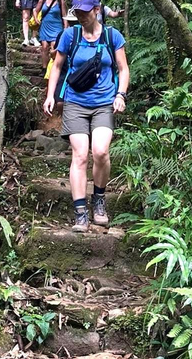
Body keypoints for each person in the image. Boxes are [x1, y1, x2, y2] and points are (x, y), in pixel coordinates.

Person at [43, 0, 129, 233]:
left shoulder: (113, 36)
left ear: (96, 10)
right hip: (75, 103)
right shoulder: (70, 36)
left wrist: (120, 94)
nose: (80, 16)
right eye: (77, 12)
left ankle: (99, 201)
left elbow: (123, 69)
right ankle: (80, 213)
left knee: (100, 151)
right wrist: (51, 95)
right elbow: (58, 66)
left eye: (84, 12)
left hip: (103, 103)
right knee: (80, 155)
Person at [33, 0, 67, 72]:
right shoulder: (42, 1)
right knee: (44, 46)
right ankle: (44, 68)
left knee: (54, 46)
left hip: (57, 27)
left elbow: (64, 15)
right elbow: (35, 11)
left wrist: (66, 27)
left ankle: (55, 68)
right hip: (45, 26)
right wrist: (36, 19)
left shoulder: (60, 2)